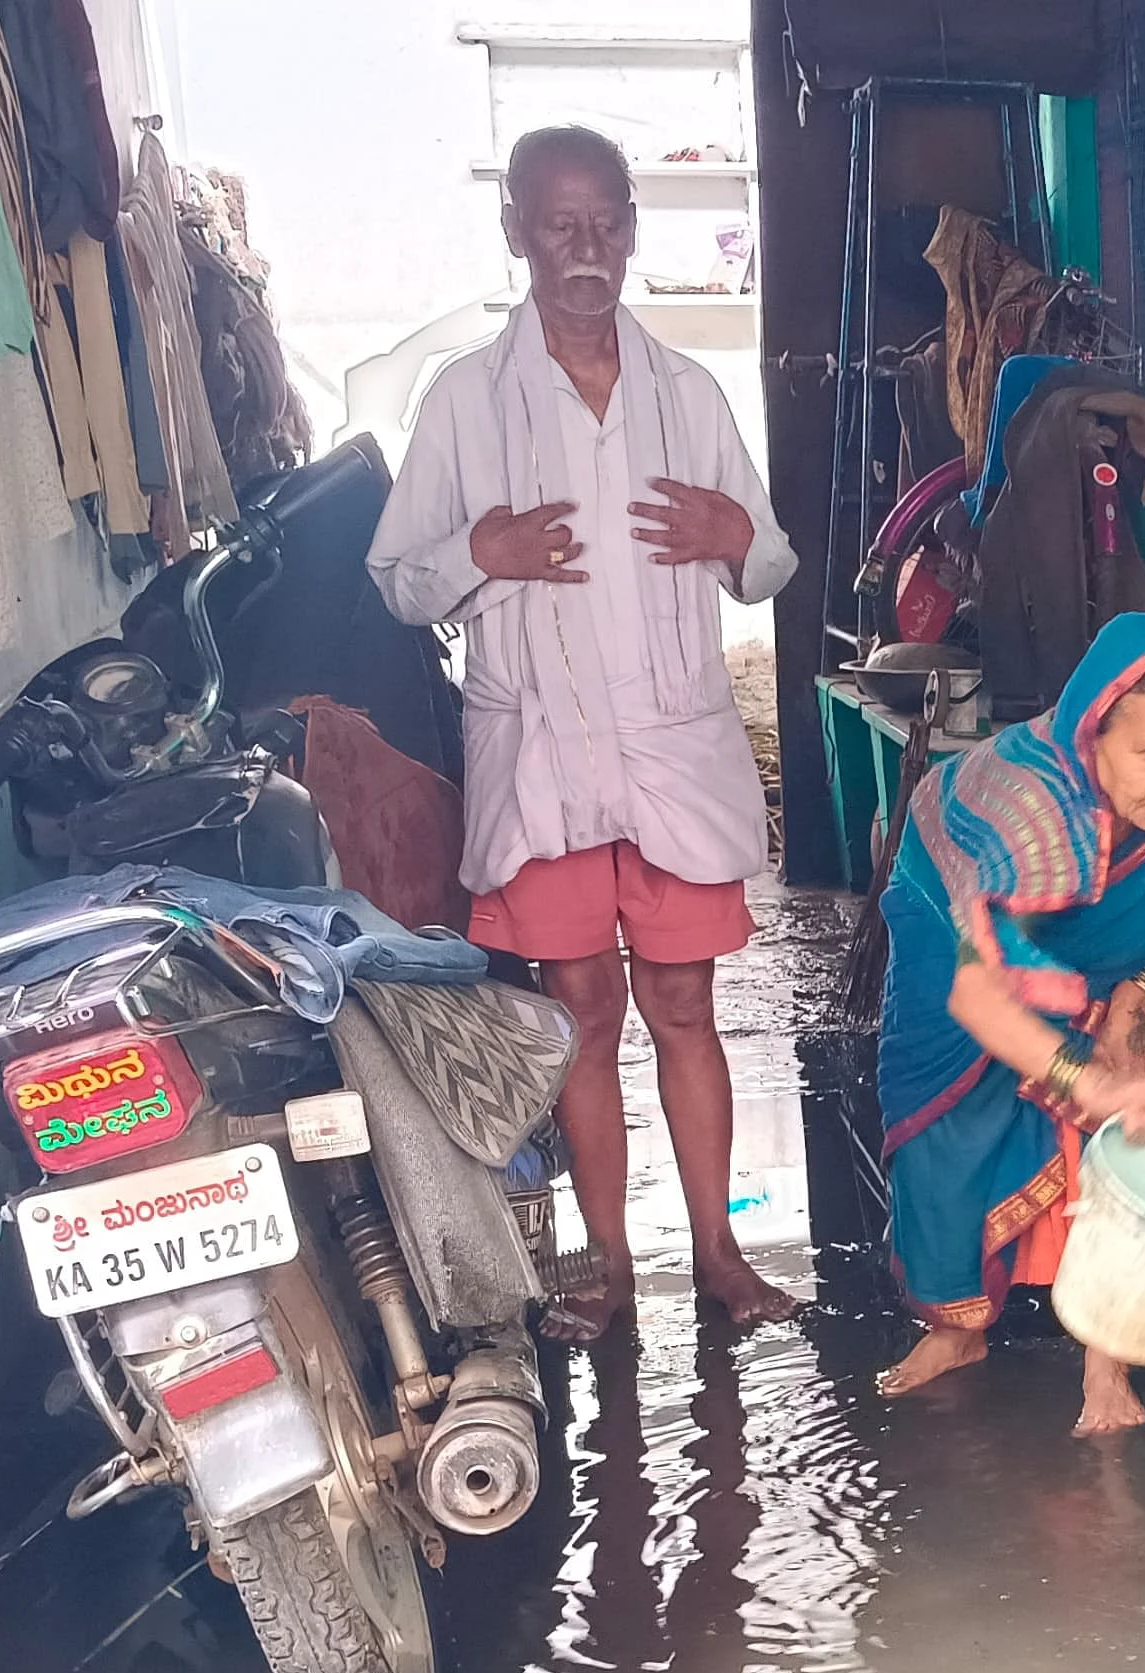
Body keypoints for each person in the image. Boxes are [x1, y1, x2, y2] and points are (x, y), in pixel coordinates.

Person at [366, 123, 799, 1335]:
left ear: (630, 229)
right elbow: (397, 578)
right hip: (545, 760)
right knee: (582, 1021)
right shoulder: (466, 402)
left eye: (607, 220)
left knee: (683, 1008)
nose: (586, 246)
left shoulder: (686, 393)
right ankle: (609, 1268)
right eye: (560, 224)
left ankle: (715, 1252)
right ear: (514, 231)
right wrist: (478, 553)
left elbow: (767, 560)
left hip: (671, 754)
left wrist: (733, 542)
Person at [874, 613, 1145, 1435]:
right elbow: (980, 1001)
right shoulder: (1035, 815)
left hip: (1099, 948)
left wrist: (1129, 1004)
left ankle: (1106, 1363)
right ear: (1094, 731)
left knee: (1135, 1122)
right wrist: (1088, 1082)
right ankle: (955, 1331)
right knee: (950, 1132)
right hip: (957, 916)